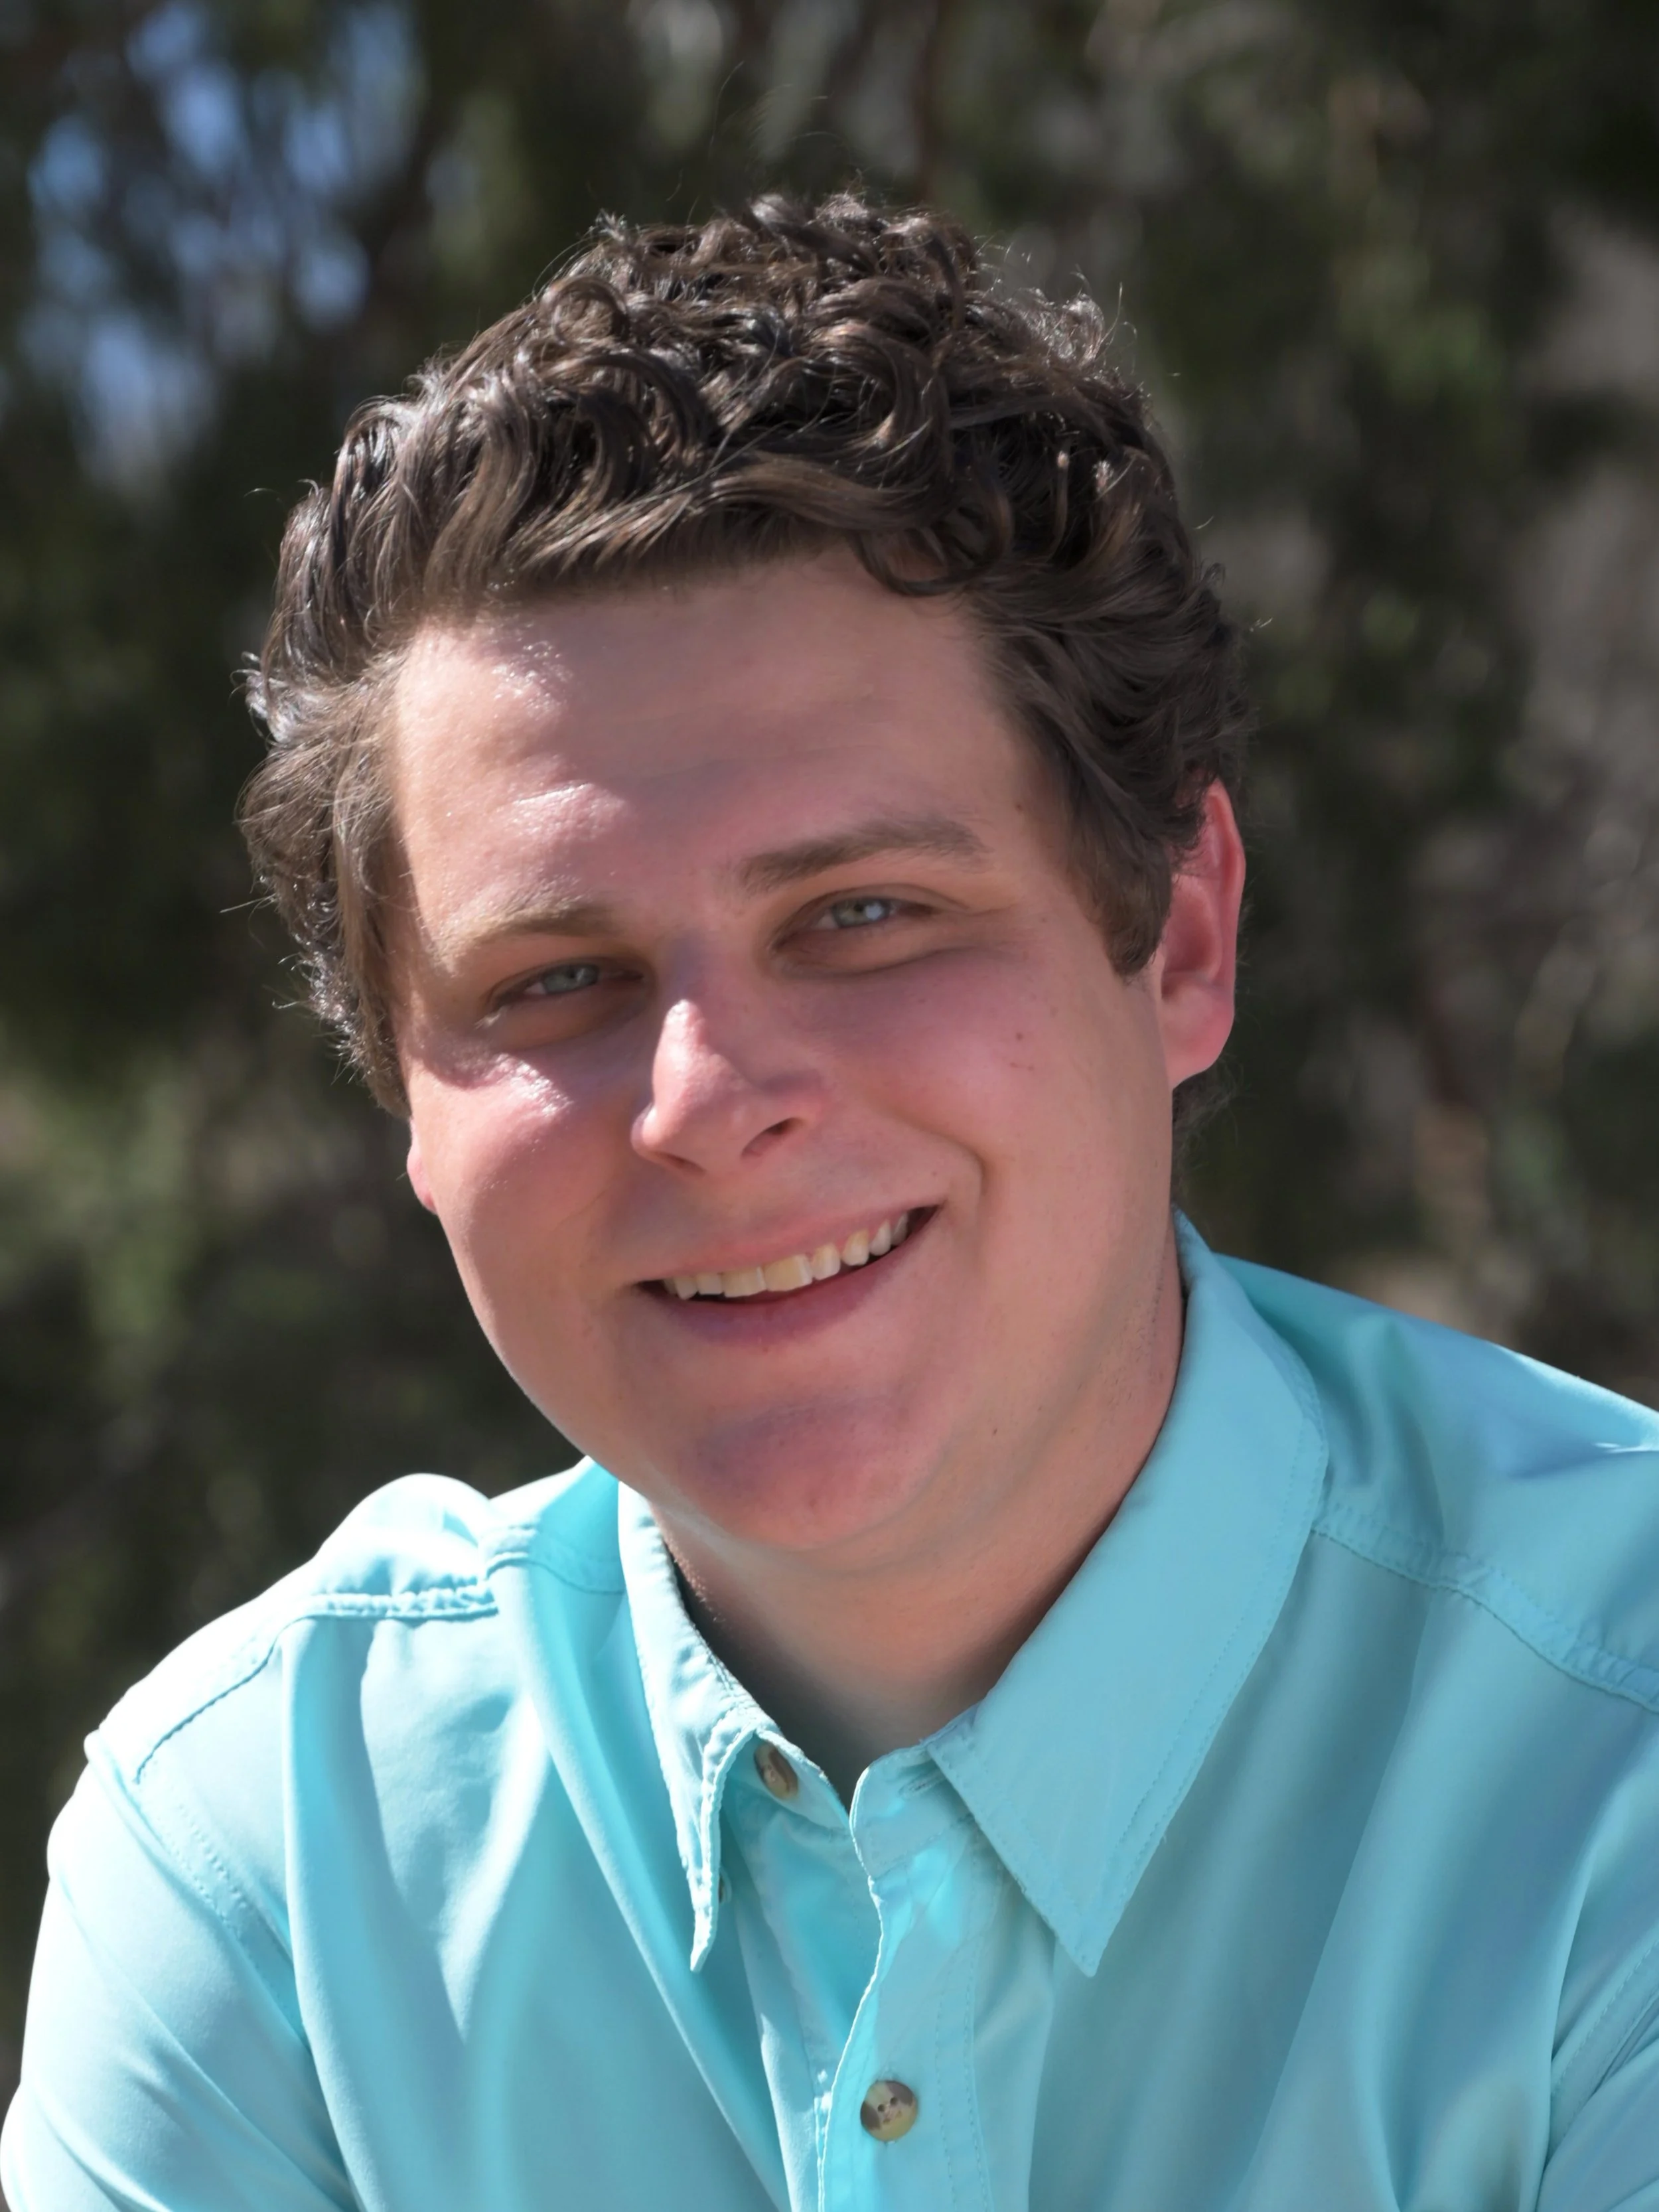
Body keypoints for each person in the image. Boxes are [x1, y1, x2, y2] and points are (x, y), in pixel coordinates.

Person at [6, 193, 1659, 2212]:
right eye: (552, 983)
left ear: (1182, 940)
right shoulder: (268, 1865)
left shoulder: (1614, 1765)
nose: (705, 1102)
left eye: (865, 913)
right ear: (407, 1107)